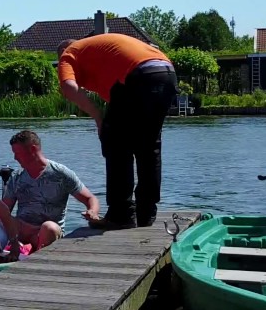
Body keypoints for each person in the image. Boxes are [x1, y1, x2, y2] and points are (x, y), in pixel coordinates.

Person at [56, 33, 177, 229]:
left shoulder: (69, 53)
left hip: (138, 76)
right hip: (166, 72)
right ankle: (146, 212)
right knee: (149, 147)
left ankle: (121, 215)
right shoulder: (99, 53)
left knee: (116, 146)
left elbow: (69, 87)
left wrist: (98, 117)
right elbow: (117, 102)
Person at [3, 130, 100, 252]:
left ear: (33, 149)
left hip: (47, 231)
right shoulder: (17, 176)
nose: (15, 158)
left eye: (18, 153)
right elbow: (4, 210)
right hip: (22, 230)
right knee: (0, 221)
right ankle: (14, 248)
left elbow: (90, 198)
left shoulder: (60, 173)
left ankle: (36, 255)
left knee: (49, 227)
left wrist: (92, 211)